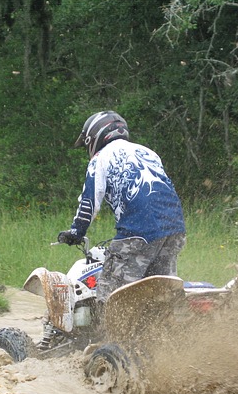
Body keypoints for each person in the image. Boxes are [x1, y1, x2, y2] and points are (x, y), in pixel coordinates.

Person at [58, 110, 186, 305]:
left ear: (96, 136)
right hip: (175, 228)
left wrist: (76, 231)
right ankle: (161, 331)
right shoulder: (149, 152)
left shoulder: (100, 158)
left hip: (139, 230)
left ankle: (108, 335)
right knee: (161, 295)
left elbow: (89, 203)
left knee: (111, 292)